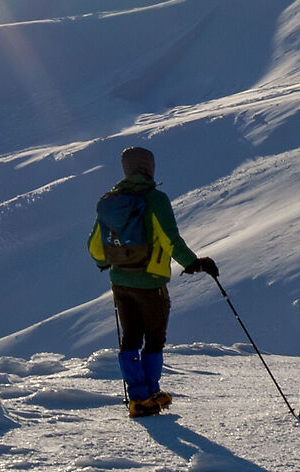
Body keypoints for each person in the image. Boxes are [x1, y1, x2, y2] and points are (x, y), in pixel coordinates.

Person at [88, 145, 217, 418]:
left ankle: (137, 397)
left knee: (130, 336)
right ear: (149, 168)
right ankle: (152, 392)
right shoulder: (155, 199)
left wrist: (108, 263)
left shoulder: (110, 201)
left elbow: (94, 245)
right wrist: (194, 263)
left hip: (120, 280)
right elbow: (170, 238)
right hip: (150, 282)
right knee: (155, 337)